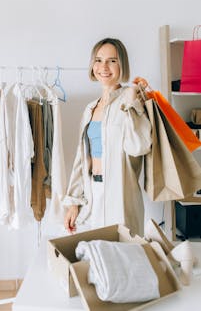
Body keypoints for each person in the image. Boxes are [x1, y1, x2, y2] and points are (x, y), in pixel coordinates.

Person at [62, 38, 152, 236]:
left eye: (112, 60)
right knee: (95, 256)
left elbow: (139, 147)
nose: (104, 67)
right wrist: (74, 203)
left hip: (121, 194)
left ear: (122, 65)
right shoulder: (90, 109)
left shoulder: (131, 102)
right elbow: (81, 159)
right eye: (98, 60)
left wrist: (132, 103)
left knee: (122, 257)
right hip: (92, 192)